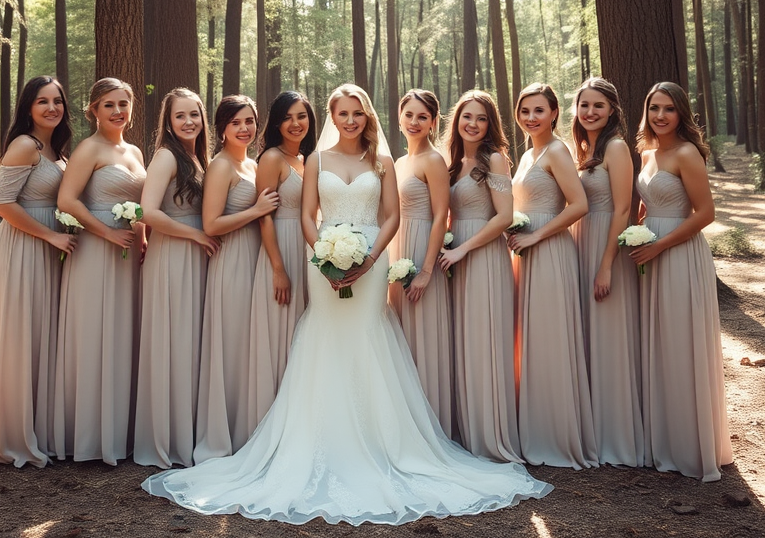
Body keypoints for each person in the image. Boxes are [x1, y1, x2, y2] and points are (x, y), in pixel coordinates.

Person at [142, 84, 551, 525]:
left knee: (369, 341)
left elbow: (391, 215)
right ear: (332, 117)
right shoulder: (316, 159)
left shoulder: (383, 161)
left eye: (357, 113)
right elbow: (305, 214)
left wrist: (371, 258)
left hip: (371, 264)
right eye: (342, 114)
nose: (350, 120)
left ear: (368, 115)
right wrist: (323, 257)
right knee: (323, 341)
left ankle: (380, 444)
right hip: (322, 265)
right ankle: (320, 442)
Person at [632, 81, 733, 481]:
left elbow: (705, 213)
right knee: (656, 342)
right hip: (649, 251)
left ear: (681, 114)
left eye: (668, 109)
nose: (660, 116)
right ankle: (662, 440)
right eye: (654, 108)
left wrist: (659, 246)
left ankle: (691, 446)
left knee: (680, 342)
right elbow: (648, 202)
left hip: (679, 252)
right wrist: (638, 233)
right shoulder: (646, 151)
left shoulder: (688, 153)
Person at [0, 76, 74, 467]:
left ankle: (43, 428)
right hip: (24, 247)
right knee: (22, 335)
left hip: (52, 247)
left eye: (58, 101)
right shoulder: (24, 145)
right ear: (27, 108)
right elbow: (2, 204)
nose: (52, 108)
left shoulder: (56, 148)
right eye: (42, 101)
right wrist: (51, 236)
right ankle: (14, 435)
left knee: (43, 335)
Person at [52, 77, 146, 465]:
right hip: (95, 251)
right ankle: (90, 434)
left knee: (123, 333)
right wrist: (106, 231)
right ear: (93, 109)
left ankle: (120, 430)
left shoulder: (135, 151)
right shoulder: (88, 149)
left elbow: (141, 203)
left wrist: (140, 237)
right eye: (109, 105)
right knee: (95, 333)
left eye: (123, 104)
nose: (117, 111)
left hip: (129, 256)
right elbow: (67, 199)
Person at [509, 82, 597, 469]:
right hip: (525, 250)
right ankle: (534, 426)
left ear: (555, 113)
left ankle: (556, 435)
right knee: (530, 340)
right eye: (525, 110)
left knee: (549, 337)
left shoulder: (558, 150)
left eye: (539, 110)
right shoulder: (528, 153)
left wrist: (536, 236)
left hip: (550, 250)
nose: (531, 117)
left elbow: (579, 205)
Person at [134, 88, 219, 468]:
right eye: (180, 116)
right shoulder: (166, 156)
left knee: (192, 342)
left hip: (197, 257)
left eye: (194, 115)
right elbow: (147, 212)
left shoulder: (198, 158)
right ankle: (167, 438)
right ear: (168, 123)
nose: (188, 122)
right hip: (172, 256)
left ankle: (192, 430)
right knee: (174, 341)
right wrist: (196, 235)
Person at [194, 95, 280, 463]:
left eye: (249, 122)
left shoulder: (251, 164)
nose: (244, 129)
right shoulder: (221, 166)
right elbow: (211, 224)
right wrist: (257, 210)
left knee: (250, 345)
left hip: (255, 258)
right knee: (230, 344)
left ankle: (251, 428)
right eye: (236, 123)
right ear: (222, 129)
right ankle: (223, 432)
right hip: (231, 259)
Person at [439, 90, 522, 461]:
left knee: (484, 343)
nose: (472, 124)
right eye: (466, 117)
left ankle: (489, 436)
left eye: (481, 118)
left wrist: (463, 249)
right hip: (455, 258)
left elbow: (504, 217)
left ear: (491, 124)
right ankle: (464, 431)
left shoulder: (496, 160)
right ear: (456, 121)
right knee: (463, 342)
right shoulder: (453, 162)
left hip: (484, 257)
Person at [570, 77, 645, 467]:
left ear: (612, 110)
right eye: (584, 105)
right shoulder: (585, 148)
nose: (590, 112)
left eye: (598, 105)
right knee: (588, 336)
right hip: (582, 241)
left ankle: (618, 436)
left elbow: (622, 208)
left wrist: (606, 264)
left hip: (607, 245)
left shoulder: (616, 147)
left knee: (609, 336)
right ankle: (593, 427)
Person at [246, 91, 316, 430]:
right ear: (276, 122)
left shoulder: (306, 159)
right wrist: (278, 269)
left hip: (306, 252)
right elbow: (264, 217)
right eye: (287, 117)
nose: (295, 123)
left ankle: (298, 420)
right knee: (280, 333)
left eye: (301, 116)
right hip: (280, 251)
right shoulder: (272, 158)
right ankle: (270, 423)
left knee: (302, 336)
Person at [390, 89, 453, 434]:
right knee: (401, 338)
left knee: (423, 336)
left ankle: (431, 426)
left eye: (422, 117)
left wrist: (427, 270)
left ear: (433, 122)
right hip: (398, 249)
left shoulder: (433, 160)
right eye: (409, 115)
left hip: (422, 251)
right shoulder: (399, 163)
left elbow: (441, 214)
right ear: (399, 118)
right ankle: (405, 424)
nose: (414, 122)